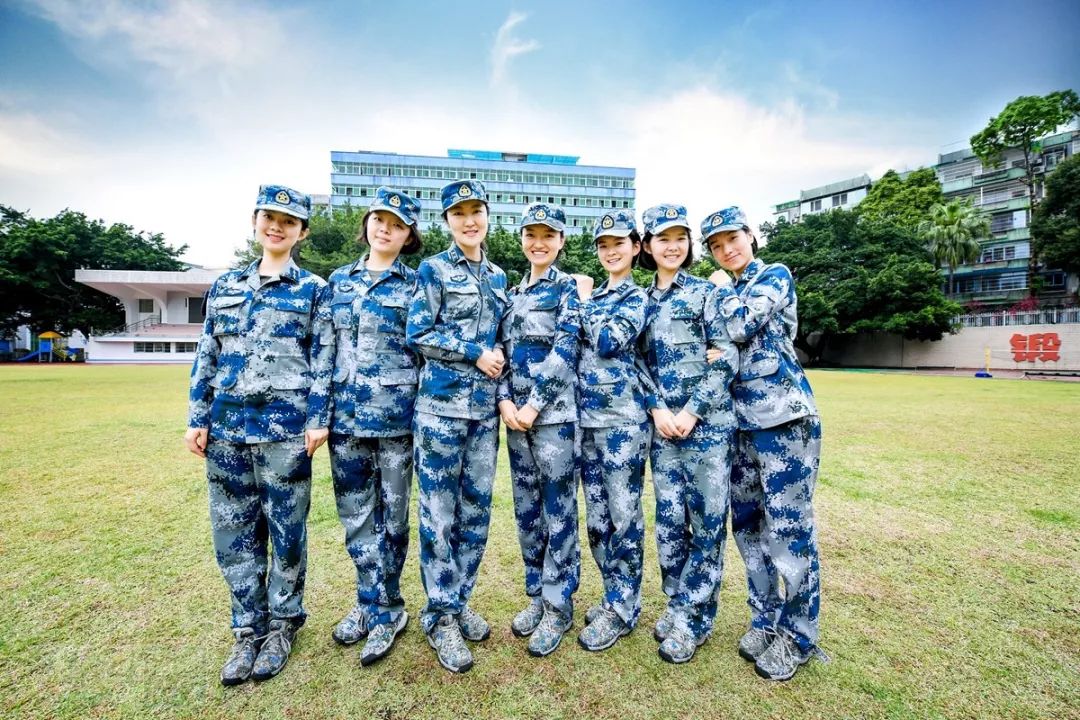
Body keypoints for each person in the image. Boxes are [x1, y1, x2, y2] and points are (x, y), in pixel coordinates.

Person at [185, 185, 331, 685]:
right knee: (233, 532)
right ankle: (248, 628)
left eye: (289, 222)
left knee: (286, 530)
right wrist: (197, 416)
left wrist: (317, 418)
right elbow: (207, 352)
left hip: (286, 430)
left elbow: (323, 358)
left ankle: (283, 626)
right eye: (270, 218)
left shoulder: (313, 289)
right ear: (255, 222)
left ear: (302, 232)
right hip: (226, 428)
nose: (277, 227)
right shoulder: (226, 285)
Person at [703, 206, 823, 681]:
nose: (726, 250)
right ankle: (765, 619)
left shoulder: (773, 275)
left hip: (784, 420)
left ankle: (798, 636)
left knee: (789, 529)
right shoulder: (727, 289)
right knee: (748, 526)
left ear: (750, 237)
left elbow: (738, 327)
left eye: (732, 239)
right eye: (716, 246)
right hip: (740, 425)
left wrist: (718, 291)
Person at [405, 179, 508, 673]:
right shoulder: (434, 269)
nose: (469, 221)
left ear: (487, 215)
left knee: (475, 513)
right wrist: (475, 352)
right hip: (441, 411)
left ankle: (459, 599)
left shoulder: (499, 276)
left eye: (475, 211)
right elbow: (418, 332)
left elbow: (503, 335)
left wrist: (498, 352)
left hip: (483, 414)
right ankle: (440, 614)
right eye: (458, 213)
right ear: (446, 221)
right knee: (438, 515)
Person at [636, 203, 738, 664]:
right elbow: (636, 362)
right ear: (647, 245)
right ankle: (677, 604)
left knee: (707, 524)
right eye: (663, 238)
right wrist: (657, 408)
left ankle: (695, 617)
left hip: (707, 430)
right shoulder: (640, 301)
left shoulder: (705, 294)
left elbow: (727, 356)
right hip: (663, 431)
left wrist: (693, 412)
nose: (673, 246)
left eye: (680, 237)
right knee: (670, 523)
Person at [324, 187, 422, 666]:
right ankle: (368, 602)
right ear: (367, 224)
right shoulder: (337, 281)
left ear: (408, 237)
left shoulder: (417, 285)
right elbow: (325, 349)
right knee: (356, 518)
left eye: (397, 225)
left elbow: (423, 351)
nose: (386, 229)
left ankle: (388, 608)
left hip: (397, 420)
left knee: (393, 519)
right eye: (380, 220)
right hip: (345, 419)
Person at [498, 203, 583, 657]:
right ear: (522, 240)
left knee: (558, 511)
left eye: (548, 235)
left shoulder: (568, 289)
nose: (539, 243)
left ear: (561, 241)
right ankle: (537, 593)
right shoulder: (512, 294)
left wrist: (532, 405)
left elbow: (566, 349)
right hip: (516, 421)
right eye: (531, 234)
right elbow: (500, 352)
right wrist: (505, 402)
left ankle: (558, 604)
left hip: (553, 421)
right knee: (527, 512)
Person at [575, 209, 651, 653]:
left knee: (624, 517)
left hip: (623, 422)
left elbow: (608, 341)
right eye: (603, 245)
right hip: (586, 421)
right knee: (598, 519)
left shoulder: (635, 297)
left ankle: (623, 607)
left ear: (635, 247)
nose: (610, 251)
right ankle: (613, 595)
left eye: (619, 243)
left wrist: (583, 301)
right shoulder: (597, 295)